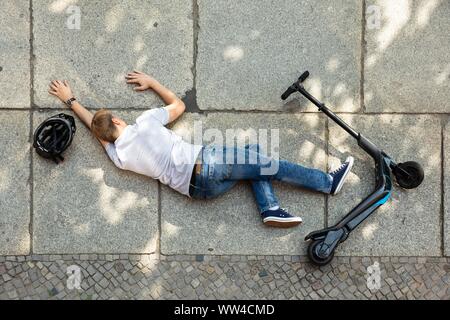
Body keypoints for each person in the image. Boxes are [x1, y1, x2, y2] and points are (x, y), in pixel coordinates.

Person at [48, 71, 354, 228]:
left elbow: (96, 128)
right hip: (208, 163)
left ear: (106, 138)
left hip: (199, 192)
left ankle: (270, 208)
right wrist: (152, 81)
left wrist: (70, 101)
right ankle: (328, 183)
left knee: (254, 153)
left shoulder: (118, 157)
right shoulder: (145, 123)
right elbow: (177, 105)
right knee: (272, 164)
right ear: (117, 119)